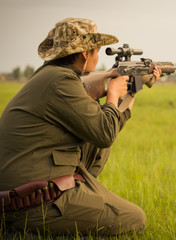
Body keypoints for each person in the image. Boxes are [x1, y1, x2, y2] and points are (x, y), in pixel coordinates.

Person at [0, 17, 161, 236]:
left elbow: (104, 130)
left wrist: (132, 91)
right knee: (134, 218)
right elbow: (105, 132)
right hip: (32, 203)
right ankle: (32, 227)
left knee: (98, 134)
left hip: (21, 193)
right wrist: (113, 94)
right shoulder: (62, 82)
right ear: (85, 53)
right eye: (96, 51)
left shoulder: (50, 75)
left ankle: (82, 197)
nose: (97, 56)